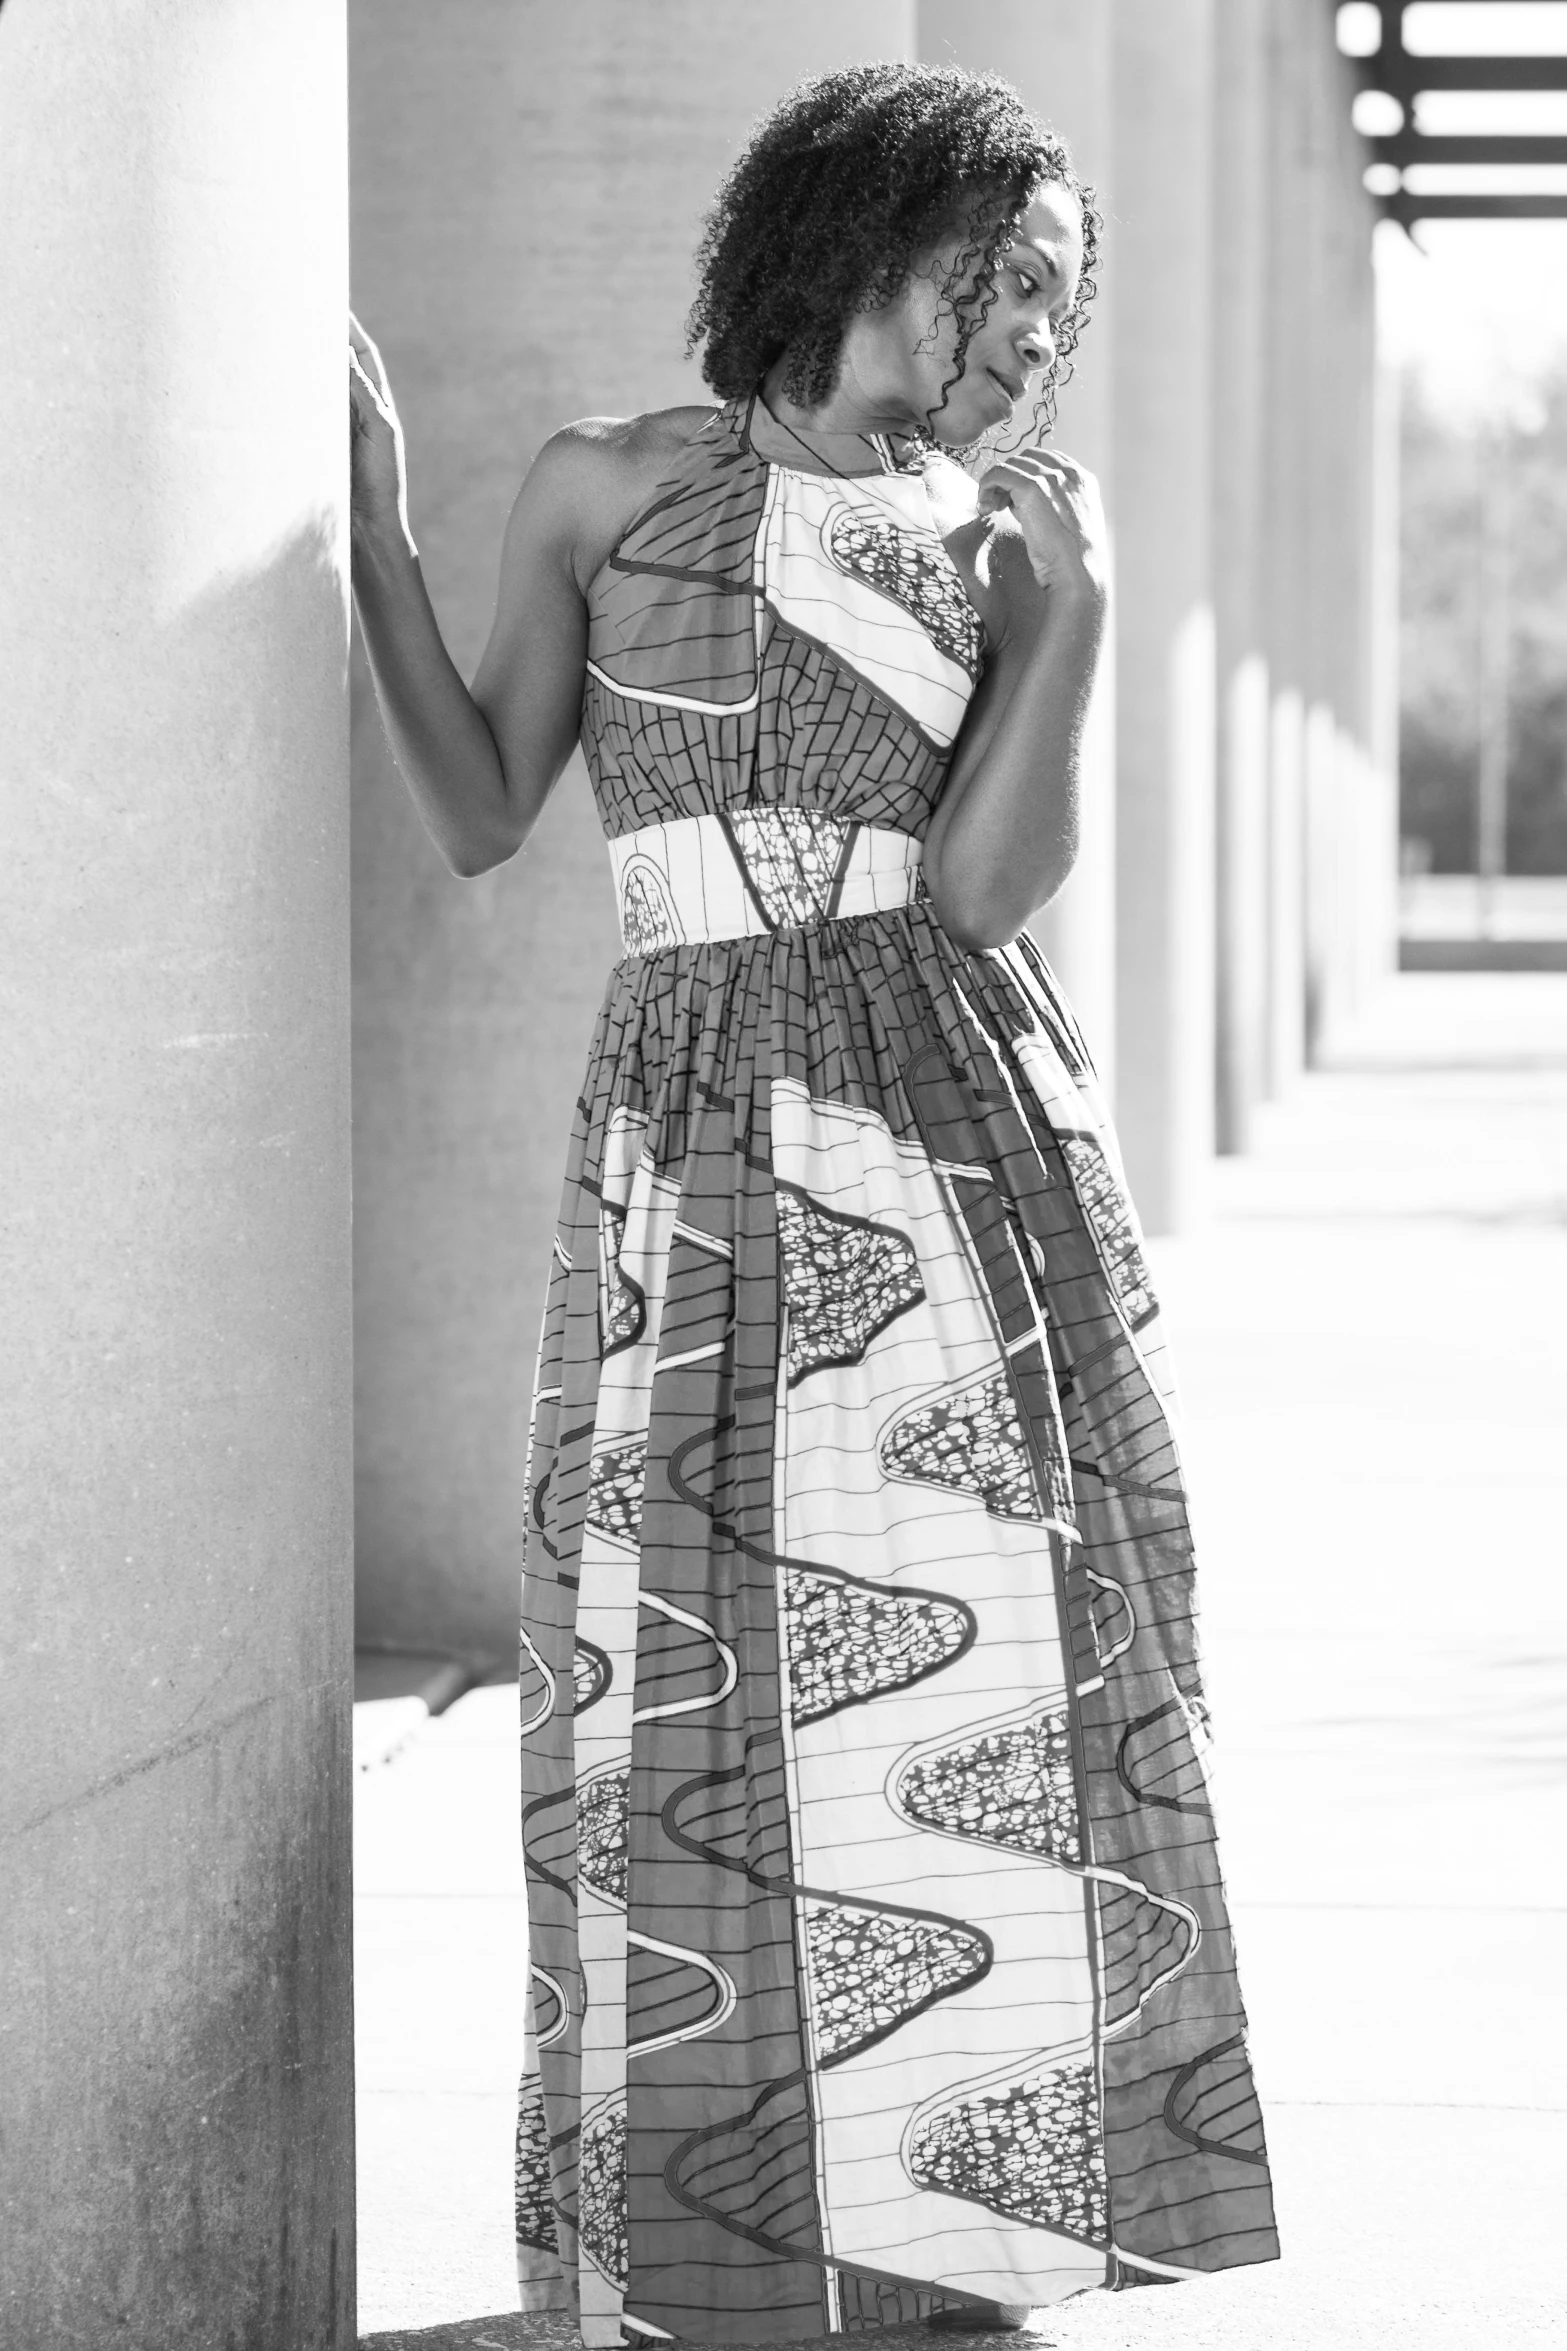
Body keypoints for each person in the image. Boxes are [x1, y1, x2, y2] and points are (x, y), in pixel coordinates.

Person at [350, 60, 1278, 2347]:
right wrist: (373, 531)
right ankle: (715, 2235)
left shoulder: (992, 535)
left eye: (1064, 301)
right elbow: (481, 806)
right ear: (871, 236)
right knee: (684, 1658)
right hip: (689, 1129)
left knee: (988, 1657)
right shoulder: (601, 487)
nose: (1036, 333)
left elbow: (982, 889)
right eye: (1011, 279)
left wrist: (1070, 617)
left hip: (957, 1138)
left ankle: (970, 2232)